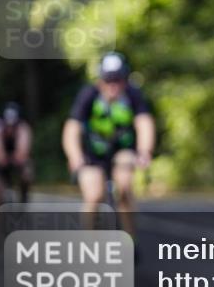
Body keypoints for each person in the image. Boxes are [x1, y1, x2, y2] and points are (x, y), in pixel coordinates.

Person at [62, 52, 155, 237]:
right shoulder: (89, 94)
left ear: (124, 79)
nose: (113, 84)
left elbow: (144, 123)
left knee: (125, 187)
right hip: (93, 153)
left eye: (118, 79)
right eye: (108, 79)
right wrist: (74, 156)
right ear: (100, 79)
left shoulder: (132, 94)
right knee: (94, 195)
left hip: (122, 149)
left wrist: (145, 151)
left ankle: (130, 239)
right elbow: (72, 128)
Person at [0, 102, 34, 206]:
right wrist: (1, 157)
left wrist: (18, 158)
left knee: (27, 173)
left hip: (16, 161)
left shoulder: (23, 127)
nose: (10, 128)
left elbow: (23, 151)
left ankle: (23, 199)